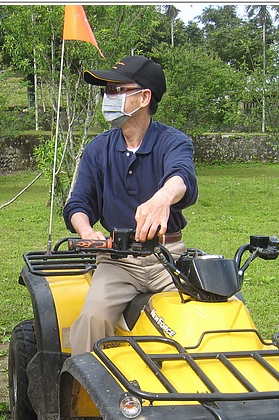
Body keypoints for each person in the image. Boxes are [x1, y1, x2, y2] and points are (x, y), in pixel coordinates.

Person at [62, 55, 198, 356]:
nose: (108, 98)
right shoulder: (99, 149)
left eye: (116, 89)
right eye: (106, 90)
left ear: (144, 97)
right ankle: (83, 396)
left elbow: (182, 176)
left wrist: (163, 198)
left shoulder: (172, 141)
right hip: (118, 260)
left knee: (215, 310)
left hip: (168, 256)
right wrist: (86, 230)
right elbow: (79, 202)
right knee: (92, 318)